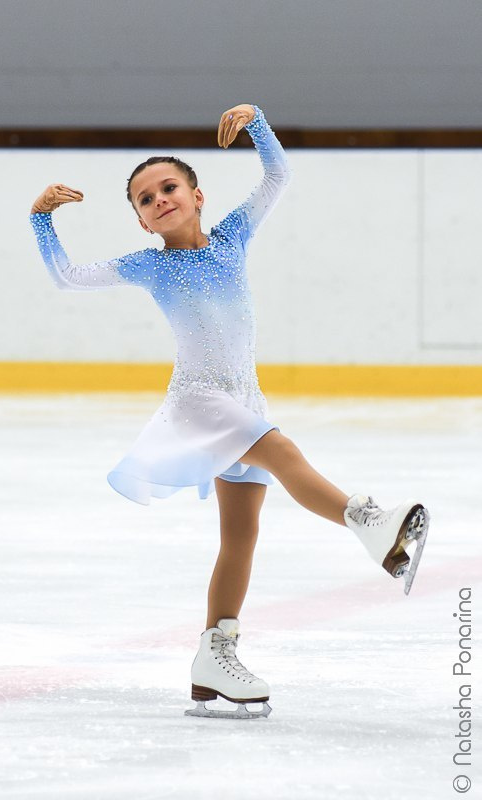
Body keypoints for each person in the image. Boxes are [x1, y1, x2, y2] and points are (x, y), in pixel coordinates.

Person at [29, 103, 430, 720]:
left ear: (196, 195)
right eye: (144, 198)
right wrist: (42, 221)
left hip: (242, 397)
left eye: (169, 187)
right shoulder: (149, 265)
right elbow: (68, 276)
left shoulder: (234, 236)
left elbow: (276, 177)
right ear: (140, 221)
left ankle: (214, 657)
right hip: (199, 401)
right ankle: (371, 523)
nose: (159, 198)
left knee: (240, 537)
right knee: (283, 451)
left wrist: (257, 123)